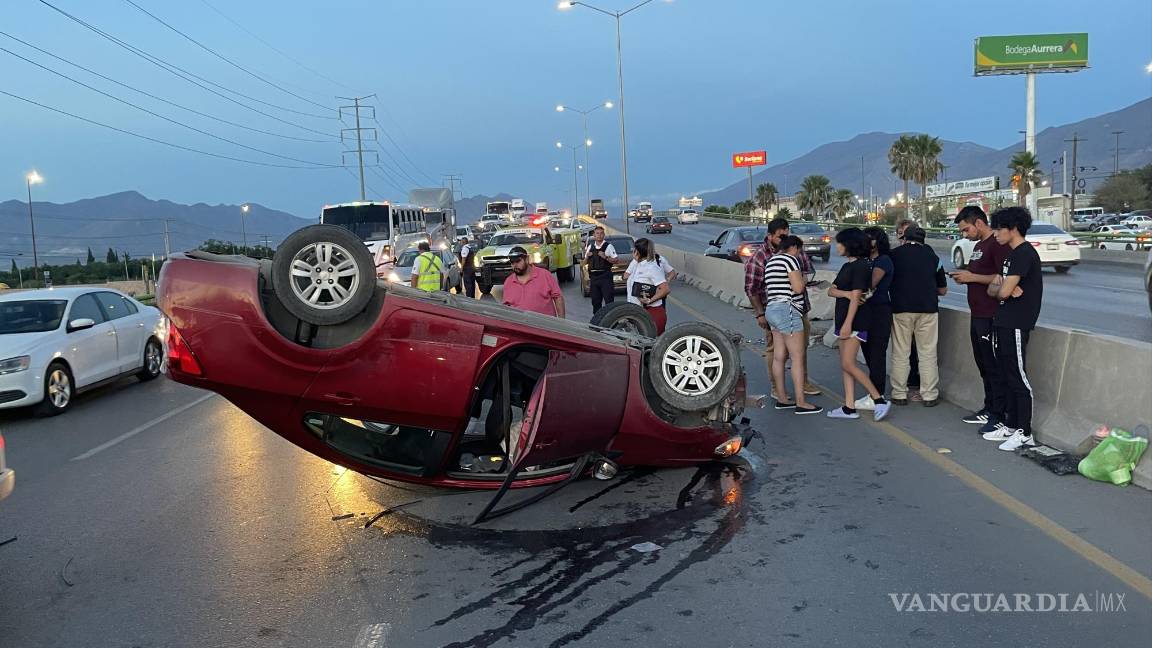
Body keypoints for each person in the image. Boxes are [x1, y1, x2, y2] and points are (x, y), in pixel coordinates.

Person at [981, 207, 1043, 451]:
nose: (995, 233)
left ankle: (1025, 432)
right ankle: (1010, 424)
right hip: (1003, 320)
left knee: (1018, 376)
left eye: (998, 228)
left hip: (1017, 322)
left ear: (1013, 228)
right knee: (1005, 373)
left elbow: (1003, 291)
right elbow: (995, 290)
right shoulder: (1009, 256)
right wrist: (1003, 289)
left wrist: (1003, 289)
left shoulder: (1024, 254)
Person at [948, 206, 1010, 432]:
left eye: (966, 229)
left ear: (979, 223)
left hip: (991, 314)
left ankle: (999, 413)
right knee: (983, 363)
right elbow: (979, 276)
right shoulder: (978, 246)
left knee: (994, 365)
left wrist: (971, 276)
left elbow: (1002, 277)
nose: (964, 235)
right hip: (977, 313)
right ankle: (989, 406)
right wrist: (965, 278)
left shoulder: (996, 244)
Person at [745, 217, 821, 396]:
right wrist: (759, 314)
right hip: (780, 310)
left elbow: (808, 270)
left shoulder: (794, 252)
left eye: (787, 235)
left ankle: (800, 384)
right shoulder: (759, 257)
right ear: (770, 236)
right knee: (783, 352)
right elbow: (751, 289)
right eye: (780, 237)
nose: (784, 240)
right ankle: (781, 390)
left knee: (795, 351)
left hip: (797, 308)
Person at [826, 228, 890, 421]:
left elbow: (857, 298)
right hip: (843, 318)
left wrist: (848, 324)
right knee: (845, 365)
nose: (837, 246)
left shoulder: (862, 266)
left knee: (848, 363)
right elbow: (832, 290)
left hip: (855, 321)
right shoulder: (848, 267)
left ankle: (878, 399)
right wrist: (845, 294)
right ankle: (849, 406)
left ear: (850, 245)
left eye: (840, 243)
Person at [760, 235, 822, 414]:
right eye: (800, 250)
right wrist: (803, 279)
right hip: (788, 309)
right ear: (794, 247)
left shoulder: (771, 262)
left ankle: (782, 398)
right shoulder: (790, 260)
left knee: (779, 356)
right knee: (797, 357)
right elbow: (797, 288)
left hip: (772, 309)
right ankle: (801, 403)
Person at [888, 225, 947, 406]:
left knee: (901, 352)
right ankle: (929, 395)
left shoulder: (893, 255)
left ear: (904, 238)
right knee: (928, 352)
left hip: (901, 309)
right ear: (923, 240)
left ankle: (899, 394)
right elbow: (942, 290)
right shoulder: (933, 257)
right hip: (928, 310)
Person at [854, 226, 894, 411]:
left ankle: (877, 395)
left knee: (877, 354)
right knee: (868, 353)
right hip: (864, 312)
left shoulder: (883, 260)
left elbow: (869, 284)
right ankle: (874, 393)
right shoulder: (865, 260)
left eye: (870, 239)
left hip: (879, 311)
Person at [894, 219, 922, 397]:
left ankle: (901, 392)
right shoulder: (895, 254)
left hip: (915, 308)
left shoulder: (925, 254)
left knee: (916, 349)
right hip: (905, 307)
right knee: (905, 350)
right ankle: (906, 384)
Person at [502, 246, 565, 317]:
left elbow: (558, 297)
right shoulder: (508, 282)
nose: (515, 265)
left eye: (518, 261)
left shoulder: (545, 275)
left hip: (544, 325)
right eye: (512, 262)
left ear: (527, 259)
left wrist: (561, 321)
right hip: (519, 326)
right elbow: (506, 308)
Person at [624, 238, 670, 334]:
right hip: (637, 313)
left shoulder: (651, 268)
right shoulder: (637, 265)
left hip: (651, 313)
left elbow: (665, 289)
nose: (632, 251)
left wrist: (649, 300)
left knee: (651, 345)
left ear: (638, 252)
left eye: (634, 249)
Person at [584, 226, 618, 314]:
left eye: (601, 233)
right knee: (595, 301)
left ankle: (610, 320)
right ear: (594, 236)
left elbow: (616, 260)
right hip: (594, 277)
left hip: (605, 276)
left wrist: (605, 257)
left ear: (604, 235)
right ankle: (597, 322)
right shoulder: (590, 247)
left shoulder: (608, 246)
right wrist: (587, 257)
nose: (599, 235)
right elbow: (584, 262)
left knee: (609, 300)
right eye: (597, 233)